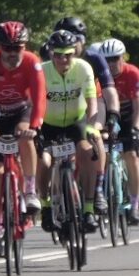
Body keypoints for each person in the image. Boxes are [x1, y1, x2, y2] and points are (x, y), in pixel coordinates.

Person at [0, 21, 47, 256]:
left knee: (25, 136)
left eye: (18, 47)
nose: (13, 53)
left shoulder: (32, 62)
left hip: (20, 113)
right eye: (7, 48)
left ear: (25, 46)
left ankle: (30, 190)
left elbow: (40, 98)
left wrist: (34, 125)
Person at [37, 28, 102, 236]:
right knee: (45, 161)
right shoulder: (42, 71)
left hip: (76, 121)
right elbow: (34, 103)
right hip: (48, 124)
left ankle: (89, 208)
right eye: (58, 55)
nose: (63, 60)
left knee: (87, 152)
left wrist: (92, 125)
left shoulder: (84, 69)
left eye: (68, 55)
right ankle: (45, 204)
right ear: (50, 53)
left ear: (75, 52)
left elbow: (93, 102)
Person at [101, 39, 139, 226]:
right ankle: (102, 193)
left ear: (123, 57)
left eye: (115, 59)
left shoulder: (133, 74)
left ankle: (135, 203)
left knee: (131, 156)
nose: (111, 64)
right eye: (107, 60)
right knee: (100, 154)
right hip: (108, 114)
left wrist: (137, 128)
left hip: (130, 114)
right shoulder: (100, 75)